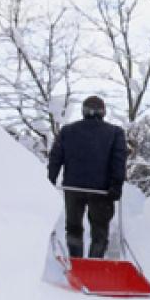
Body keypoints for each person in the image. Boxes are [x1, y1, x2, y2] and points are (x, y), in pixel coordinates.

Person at [47, 96, 128, 259]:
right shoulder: (115, 133)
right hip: (101, 190)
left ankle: (76, 262)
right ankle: (94, 264)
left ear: (84, 111)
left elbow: (55, 158)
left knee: (74, 227)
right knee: (99, 230)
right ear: (103, 112)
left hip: (73, 187)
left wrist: (50, 181)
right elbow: (118, 161)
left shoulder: (67, 131)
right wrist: (116, 185)